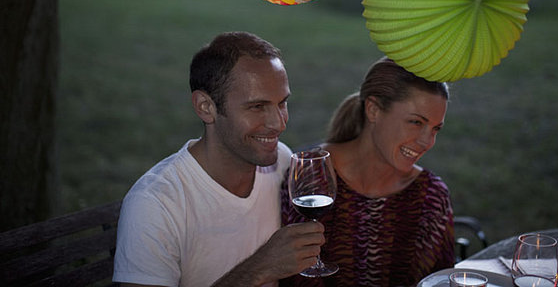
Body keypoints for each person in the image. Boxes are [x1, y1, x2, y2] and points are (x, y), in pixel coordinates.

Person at [113, 31, 325, 287]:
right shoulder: (156, 204)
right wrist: (260, 268)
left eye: (282, 103)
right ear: (206, 107)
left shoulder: (281, 159)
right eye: (257, 107)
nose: (278, 123)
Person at [281, 57, 455, 286]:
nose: (427, 141)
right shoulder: (313, 176)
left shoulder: (430, 196)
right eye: (416, 122)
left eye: (435, 129)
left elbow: (441, 280)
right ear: (373, 110)